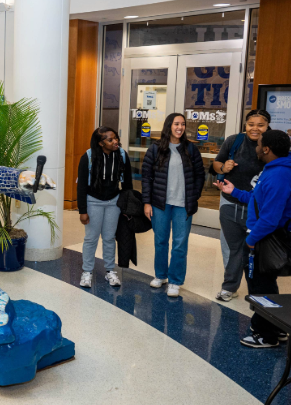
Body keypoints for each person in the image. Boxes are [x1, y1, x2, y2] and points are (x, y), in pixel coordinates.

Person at [215, 130, 291, 348]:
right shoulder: (277, 169)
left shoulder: (278, 176)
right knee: (266, 285)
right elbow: (258, 199)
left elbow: (270, 219)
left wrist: (251, 240)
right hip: (265, 237)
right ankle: (276, 327)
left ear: (266, 149)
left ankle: (265, 334)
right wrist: (235, 191)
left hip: (266, 239)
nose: (256, 147)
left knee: (260, 288)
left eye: (259, 144)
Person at [141, 113, 206, 298]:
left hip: (183, 205)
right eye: (176, 124)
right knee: (160, 241)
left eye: (183, 124)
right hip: (160, 203)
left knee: (179, 244)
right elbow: (146, 177)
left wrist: (195, 195)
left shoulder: (190, 149)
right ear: (169, 125)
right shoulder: (155, 149)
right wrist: (147, 202)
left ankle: (175, 281)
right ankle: (160, 275)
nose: (180, 127)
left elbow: (200, 174)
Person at [212, 110, 271, 302]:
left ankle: (258, 289)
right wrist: (223, 168)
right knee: (231, 248)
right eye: (251, 124)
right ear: (245, 125)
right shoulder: (234, 141)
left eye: (260, 125)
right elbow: (216, 163)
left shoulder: (270, 146)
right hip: (230, 203)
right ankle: (230, 287)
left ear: (267, 125)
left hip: (257, 207)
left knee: (256, 249)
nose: (255, 128)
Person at [77, 126, 132, 288]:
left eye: (115, 138)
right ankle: (87, 271)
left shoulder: (121, 155)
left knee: (109, 238)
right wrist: (83, 211)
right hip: (93, 201)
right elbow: (81, 187)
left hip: (113, 202)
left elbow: (127, 183)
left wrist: (126, 206)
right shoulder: (88, 157)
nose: (115, 141)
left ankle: (110, 271)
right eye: (110, 139)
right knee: (91, 238)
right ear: (101, 143)